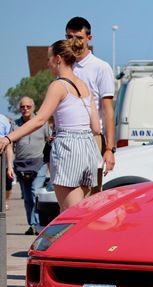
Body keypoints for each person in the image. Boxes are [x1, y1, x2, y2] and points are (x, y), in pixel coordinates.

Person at [0, 39, 101, 214]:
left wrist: (9, 137)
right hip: (88, 147)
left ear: (58, 59)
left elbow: (39, 120)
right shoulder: (84, 86)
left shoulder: (58, 85)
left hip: (68, 147)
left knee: (69, 214)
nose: (48, 64)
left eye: (49, 59)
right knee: (78, 209)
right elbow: (96, 128)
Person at [65, 17, 116, 191]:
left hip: (91, 137)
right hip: (68, 138)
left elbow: (108, 110)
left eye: (79, 38)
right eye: (69, 37)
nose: (73, 42)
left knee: (90, 195)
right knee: (68, 193)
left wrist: (109, 148)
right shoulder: (65, 67)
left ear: (89, 39)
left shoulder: (100, 68)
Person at [8, 98, 52, 234]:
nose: (25, 108)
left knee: (35, 193)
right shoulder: (15, 124)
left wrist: (51, 166)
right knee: (27, 198)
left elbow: (49, 141)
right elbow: (10, 145)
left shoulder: (41, 123)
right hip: (21, 165)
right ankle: (32, 224)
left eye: (28, 106)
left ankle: (38, 224)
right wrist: (9, 166)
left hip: (39, 163)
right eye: (22, 106)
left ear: (33, 107)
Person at [1, 114, 11, 210]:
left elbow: (9, 145)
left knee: (6, 186)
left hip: (2, 162)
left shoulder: (3, 120)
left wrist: (10, 166)